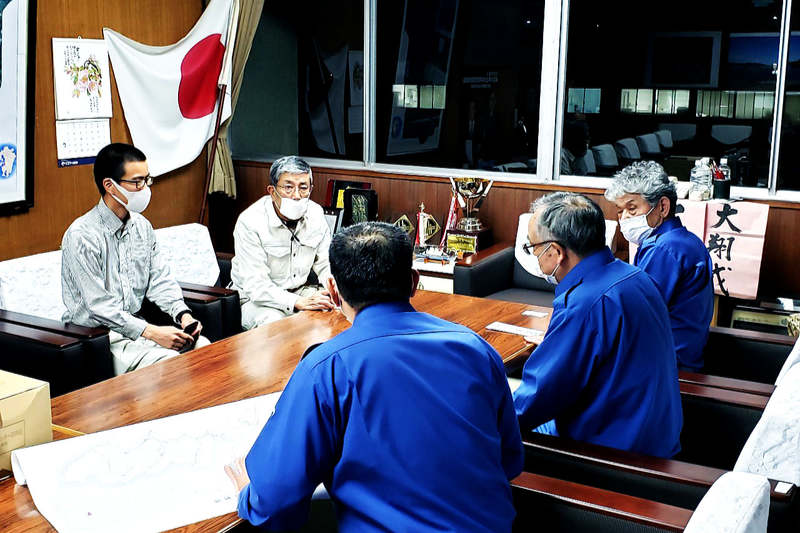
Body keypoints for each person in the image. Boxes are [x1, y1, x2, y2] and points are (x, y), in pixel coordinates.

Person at [225, 222, 523, 532]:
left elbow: (273, 503)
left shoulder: (327, 368)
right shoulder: (476, 349)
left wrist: (250, 492)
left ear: (333, 290)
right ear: (414, 282)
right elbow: (510, 460)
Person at [514, 192, 682, 458]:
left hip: (612, 455)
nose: (534, 254)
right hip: (656, 437)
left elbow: (538, 399)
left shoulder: (585, 304)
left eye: (533, 247)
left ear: (556, 252)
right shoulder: (636, 276)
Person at [61, 143, 208, 375]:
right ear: (109, 186)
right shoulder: (82, 235)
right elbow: (98, 306)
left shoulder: (142, 226)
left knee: (204, 348)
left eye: (147, 180)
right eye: (137, 182)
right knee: (172, 364)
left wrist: (183, 315)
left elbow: (160, 280)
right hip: (99, 339)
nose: (145, 188)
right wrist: (152, 332)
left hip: (139, 327)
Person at [605, 161, 714, 371]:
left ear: (662, 207)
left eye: (632, 208)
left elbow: (636, 316)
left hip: (666, 365)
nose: (624, 218)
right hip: (677, 356)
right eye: (620, 211)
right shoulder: (683, 240)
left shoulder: (664, 249)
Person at [230, 155, 335, 330]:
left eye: (303, 188)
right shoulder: (250, 222)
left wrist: (336, 289)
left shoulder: (316, 213)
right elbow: (256, 286)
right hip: (257, 301)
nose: (296, 196)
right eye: (288, 187)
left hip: (301, 290)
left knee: (331, 313)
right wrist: (299, 302)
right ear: (272, 191)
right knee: (278, 326)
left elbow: (326, 263)